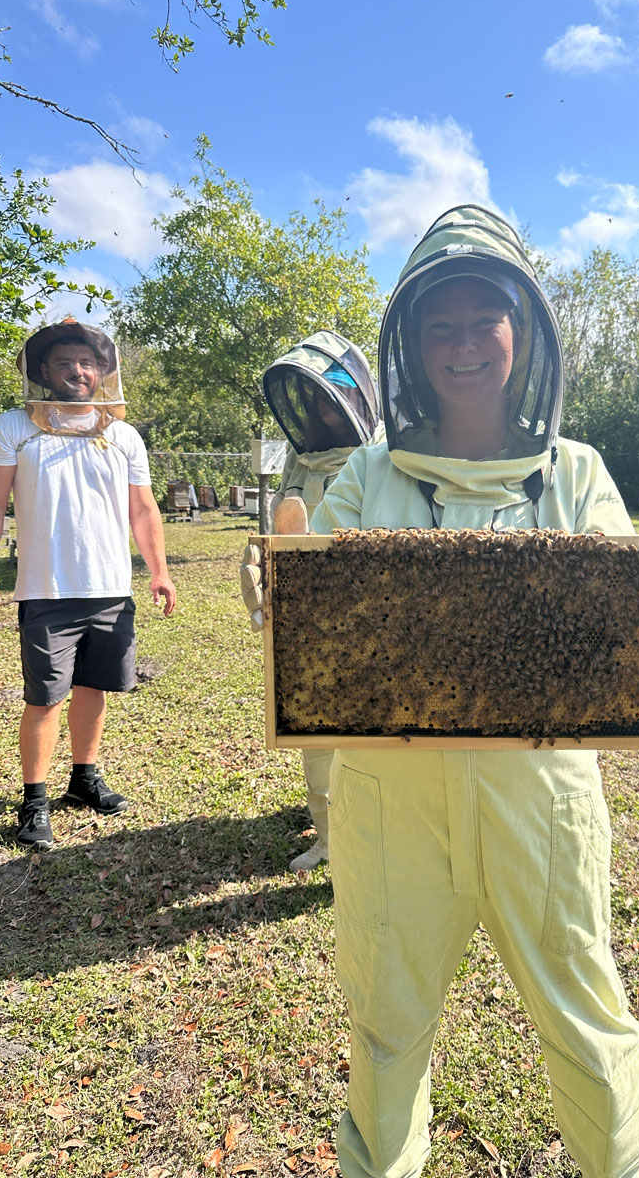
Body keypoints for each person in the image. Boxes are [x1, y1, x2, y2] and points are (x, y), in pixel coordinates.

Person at [298, 206, 639, 1178]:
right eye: (441, 323)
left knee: (586, 1014)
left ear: (522, 332)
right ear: (410, 342)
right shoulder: (365, 475)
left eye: (484, 319)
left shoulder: (576, 474)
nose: (463, 343)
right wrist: (282, 580)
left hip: (542, 804)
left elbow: (623, 611)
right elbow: (317, 604)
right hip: (390, 811)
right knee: (387, 1028)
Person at [0, 318, 176, 851]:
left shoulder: (122, 434)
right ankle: (34, 800)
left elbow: (142, 507)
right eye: (64, 362)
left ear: (102, 372)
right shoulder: (12, 427)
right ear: (43, 371)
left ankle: (83, 780)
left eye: (87, 363)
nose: (77, 371)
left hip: (111, 589)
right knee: (44, 698)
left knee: (95, 687)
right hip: (46, 591)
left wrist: (158, 570)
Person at [262, 330, 383, 871]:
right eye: (312, 396)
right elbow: (282, 526)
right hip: (309, 618)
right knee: (315, 733)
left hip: (373, 618)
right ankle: (329, 840)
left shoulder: (383, 455)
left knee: (371, 737)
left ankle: (375, 834)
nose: (322, 405)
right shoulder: (298, 458)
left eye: (331, 392)